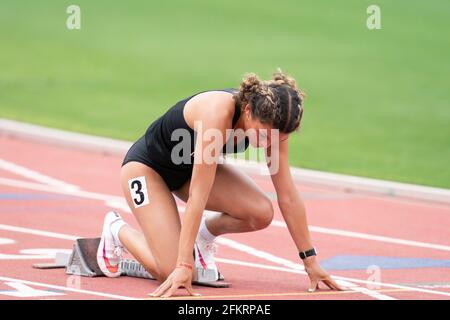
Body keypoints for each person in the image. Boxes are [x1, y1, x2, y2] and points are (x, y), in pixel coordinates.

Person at [96, 69, 343, 298]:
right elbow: (198, 196)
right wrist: (183, 264)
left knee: (261, 213)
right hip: (148, 170)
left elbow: (287, 195)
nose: (270, 143)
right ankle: (117, 230)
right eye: (264, 134)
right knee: (172, 270)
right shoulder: (217, 113)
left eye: (279, 138)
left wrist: (310, 261)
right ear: (247, 111)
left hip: (189, 171)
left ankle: (204, 236)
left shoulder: (275, 129)